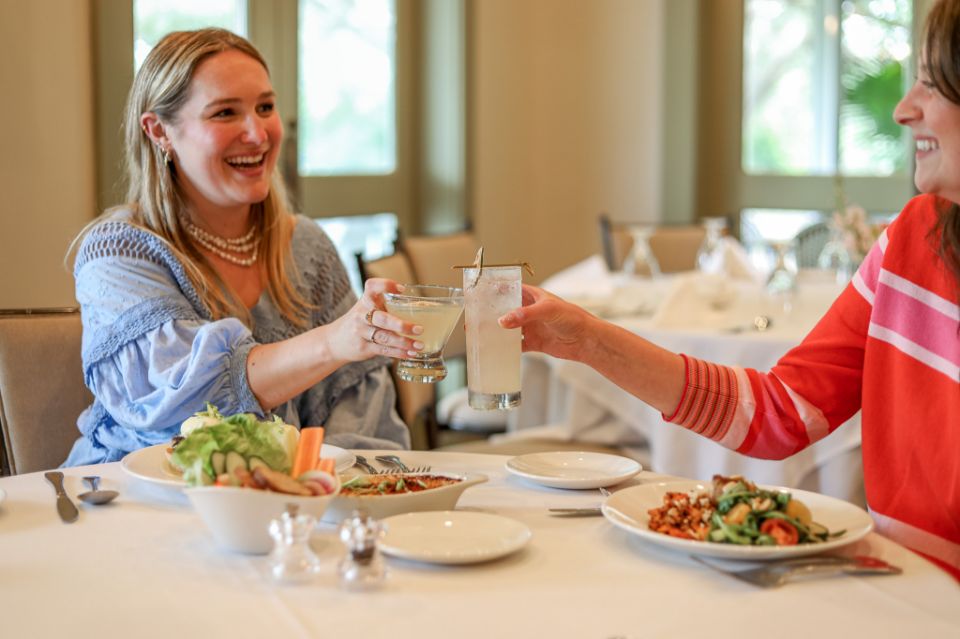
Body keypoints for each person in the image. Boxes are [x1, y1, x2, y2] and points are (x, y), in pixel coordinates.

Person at [500, 0, 960, 580]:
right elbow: (778, 412)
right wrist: (588, 340)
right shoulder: (911, 245)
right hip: (909, 596)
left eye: (931, 82)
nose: (903, 109)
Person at [64, 28, 419, 466]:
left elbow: (362, 420)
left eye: (265, 107)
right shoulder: (120, 252)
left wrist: (346, 485)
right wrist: (334, 342)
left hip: (287, 509)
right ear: (160, 131)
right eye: (225, 113)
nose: (257, 133)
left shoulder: (306, 247)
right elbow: (184, 407)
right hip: (133, 502)